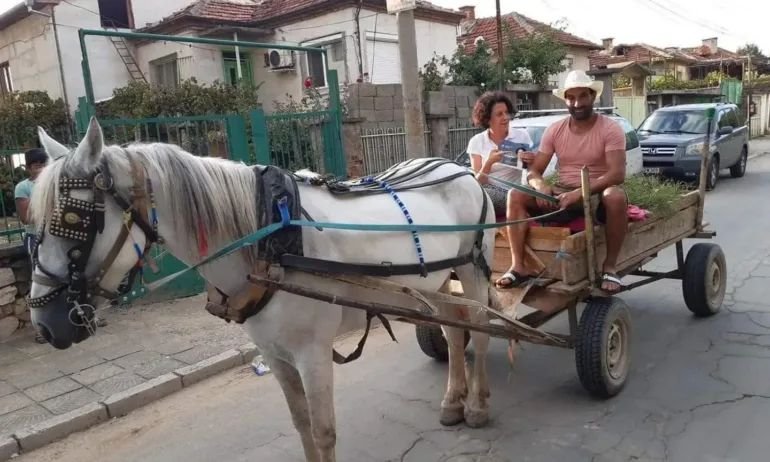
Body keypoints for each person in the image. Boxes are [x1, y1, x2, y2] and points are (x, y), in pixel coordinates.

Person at [498, 70, 628, 294]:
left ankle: (610, 267)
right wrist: (541, 186)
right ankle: (518, 266)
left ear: (592, 97)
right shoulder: (555, 130)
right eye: (571, 97)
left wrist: (580, 193)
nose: (577, 103)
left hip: (597, 192)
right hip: (563, 191)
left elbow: (617, 174)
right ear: (565, 100)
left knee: (615, 196)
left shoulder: (610, 129)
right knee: (515, 194)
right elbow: (534, 171)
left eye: (582, 96)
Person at [466, 91, 534, 217]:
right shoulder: (477, 141)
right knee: (476, 196)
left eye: (506, 112)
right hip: (489, 192)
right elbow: (478, 183)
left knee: (517, 196)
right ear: (487, 119)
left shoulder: (521, 135)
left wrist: (530, 160)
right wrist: (489, 162)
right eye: (499, 114)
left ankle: (518, 207)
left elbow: (531, 171)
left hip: (515, 191)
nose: (505, 117)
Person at [15, 148, 48, 259]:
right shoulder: (23, 187)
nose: (41, 167)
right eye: (36, 165)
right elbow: (26, 218)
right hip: (35, 236)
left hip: (54, 234)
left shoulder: (54, 184)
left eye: (43, 164)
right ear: (28, 168)